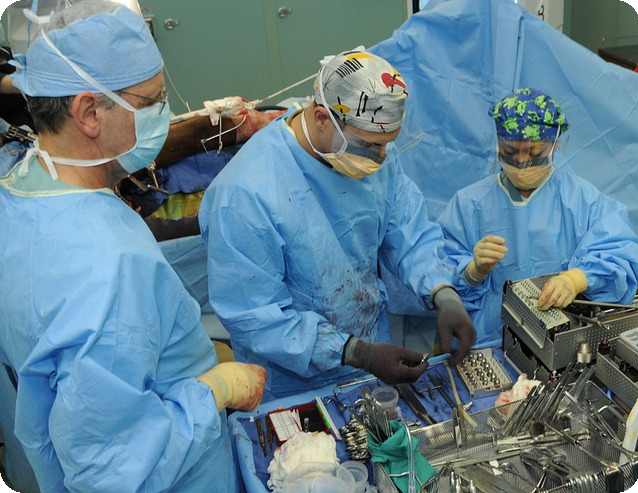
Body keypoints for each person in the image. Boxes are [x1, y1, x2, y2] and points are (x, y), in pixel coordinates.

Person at [0, 1, 267, 492]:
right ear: (88, 112)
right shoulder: (108, 265)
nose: (164, 114)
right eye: (152, 102)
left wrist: (182, 352)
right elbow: (113, 470)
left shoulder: (20, 191)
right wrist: (213, 391)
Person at [198, 49, 476, 400]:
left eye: (387, 145)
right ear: (322, 118)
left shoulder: (372, 154)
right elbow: (258, 318)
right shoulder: (244, 196)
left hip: (373, 349)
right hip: (290, 380)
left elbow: (408, 232)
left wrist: (443, 293)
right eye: (370, 146)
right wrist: (355, 352)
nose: (381, 158)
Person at [438, 87, 638, 348]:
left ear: (555, 145)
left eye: (534, 152)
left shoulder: (581, 200)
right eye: (510, 151)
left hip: (559, 343)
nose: (522, 162)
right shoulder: (469, 205)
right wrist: (471, 272)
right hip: (486, 342)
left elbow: (621, 255)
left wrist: (575, 279)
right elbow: (438, 273)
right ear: (498, 144)